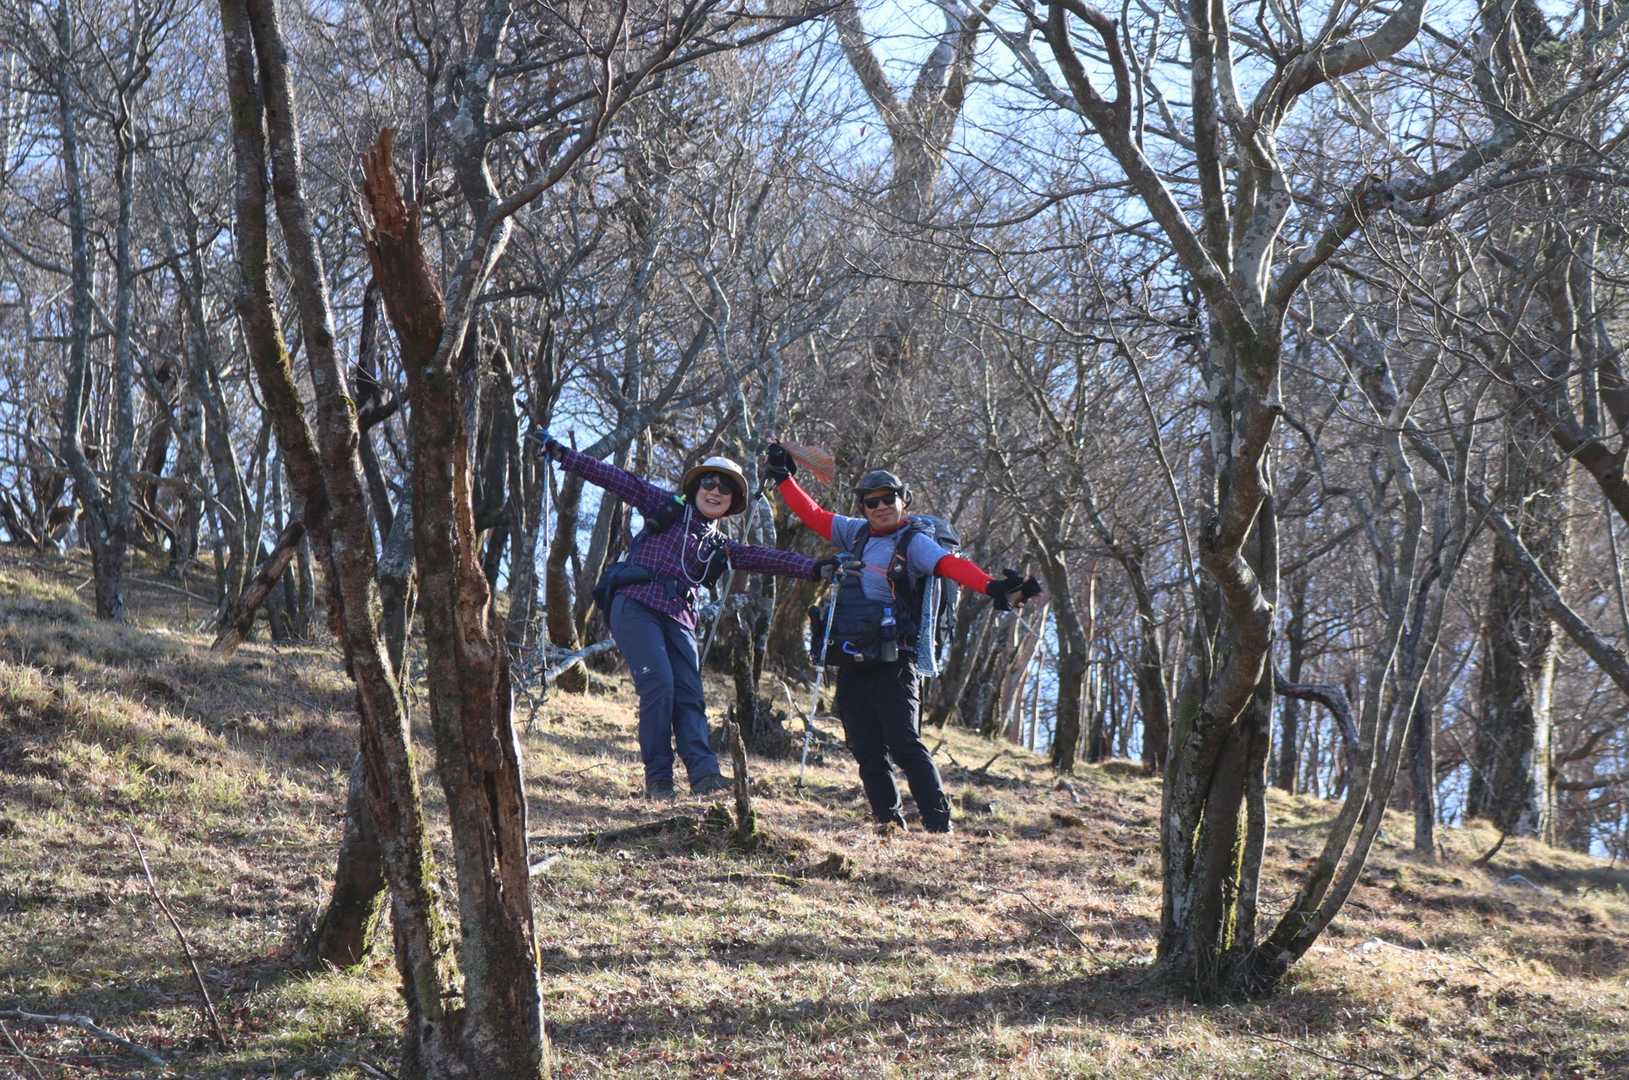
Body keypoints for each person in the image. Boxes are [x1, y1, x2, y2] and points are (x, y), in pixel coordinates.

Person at [536, 434, 839, 799]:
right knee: (659, 685)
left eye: (726, 488)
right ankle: (659, 780)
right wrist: (564, 455)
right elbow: (617, 479)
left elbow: (767, 558)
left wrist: (815, 568)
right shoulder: (666, 507)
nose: (715, 491)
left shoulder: (721, 546)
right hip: (636, 604)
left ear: (732, 502)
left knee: (690, 696)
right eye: (709, 482)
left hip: (680, 617)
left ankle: (705, 776)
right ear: (696, 487)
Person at [765, 443, 1041, 833]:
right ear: (863, 507)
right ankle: (888, 824)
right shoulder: (855, 533)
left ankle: (938, 824)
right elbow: (814, 515)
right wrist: (784, 479)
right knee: (865, 747)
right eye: (871, 501)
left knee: (905, 743)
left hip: (896, 659)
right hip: (853, 656)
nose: (880, 507)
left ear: (903, 500)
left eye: (888, 499)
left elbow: (950, 566)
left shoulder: (915, 542)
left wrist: (992, 586)